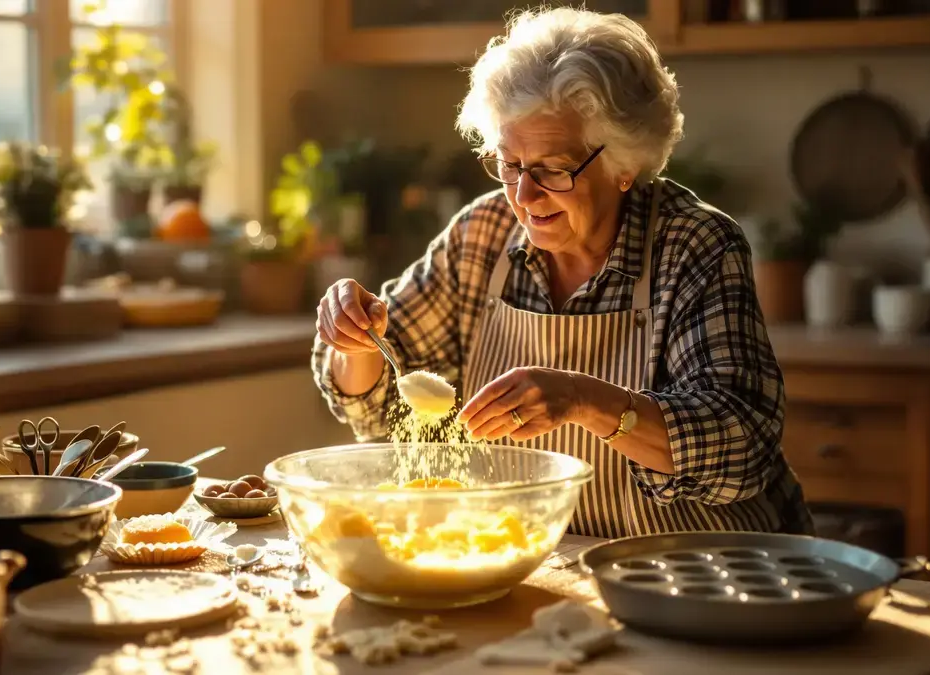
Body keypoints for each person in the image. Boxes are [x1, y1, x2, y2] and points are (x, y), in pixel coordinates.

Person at [310, 8, 813, 537]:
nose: (524, 196)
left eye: (552, 169)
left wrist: (583, 400)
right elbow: (372, 412)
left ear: (624, 164)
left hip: (697, 569)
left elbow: (742, 446)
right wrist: (356, 342)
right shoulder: (481, 235)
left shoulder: (692, 245)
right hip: (547, 562)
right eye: (509, 164)